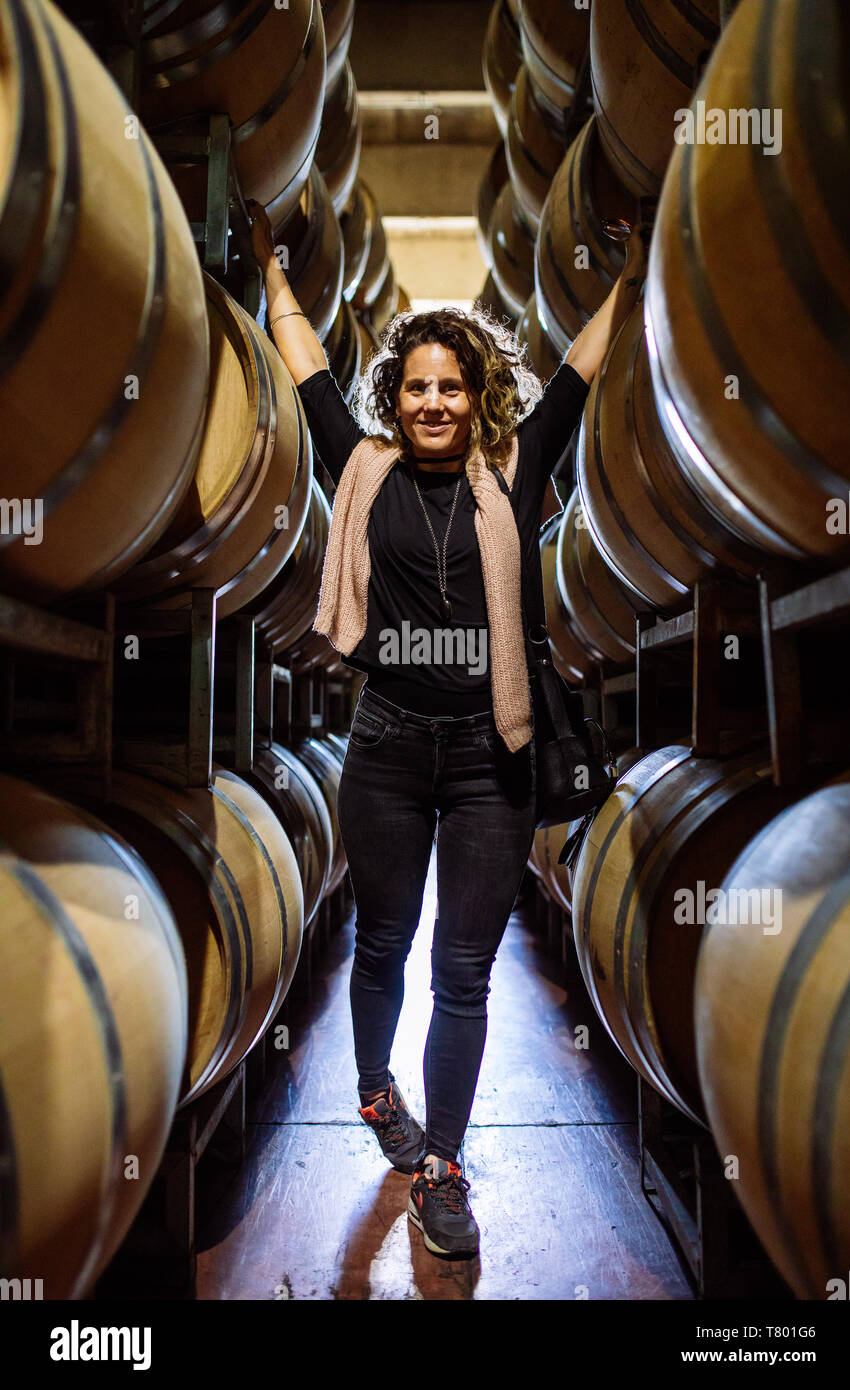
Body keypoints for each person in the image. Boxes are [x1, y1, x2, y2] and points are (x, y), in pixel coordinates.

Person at [247, 196, 647, 1259]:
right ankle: (377, 1092)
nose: (432, 402)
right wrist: (270, 273)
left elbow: (574, 374)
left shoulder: (514, 472)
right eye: (416, 387)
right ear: (398, 397)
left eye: (451, 387)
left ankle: (444, 1166)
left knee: (460, 971)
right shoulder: (364, 466)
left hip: (489, 755)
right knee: (381, 943)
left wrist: (635, 271)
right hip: (383, 744)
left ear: (477, 399)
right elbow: (305, 371)